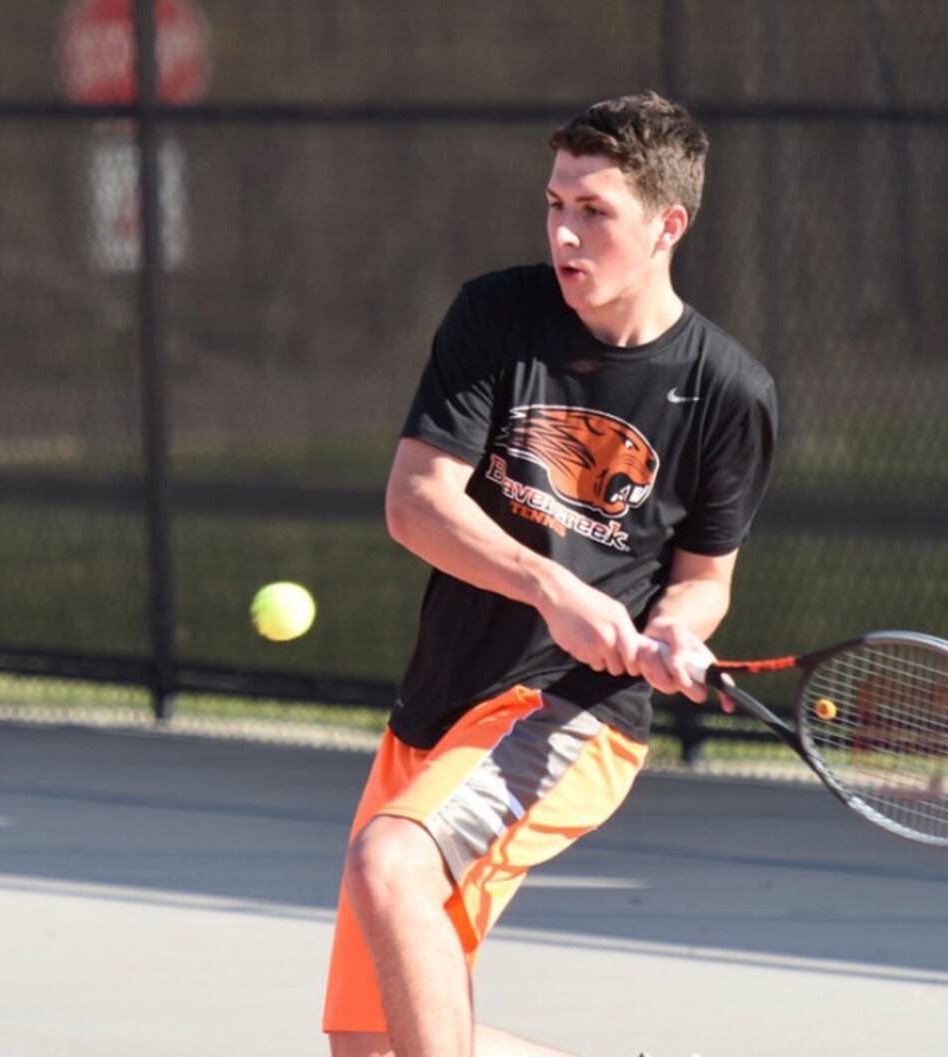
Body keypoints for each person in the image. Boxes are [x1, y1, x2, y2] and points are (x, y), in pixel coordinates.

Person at [323, 91, 778, 1057]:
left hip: (573, 715)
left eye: (595, 212)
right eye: (555, 204)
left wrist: (677, 630)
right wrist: (550, 586)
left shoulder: (731, 393)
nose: (566, 233)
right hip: (443, 699)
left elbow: (705, 575)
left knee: (390, 864)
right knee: (372, 1042)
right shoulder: (499, 315)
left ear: (668, 226)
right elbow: (416, 502)